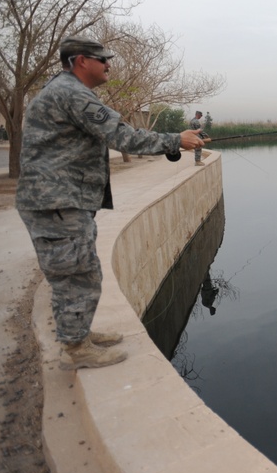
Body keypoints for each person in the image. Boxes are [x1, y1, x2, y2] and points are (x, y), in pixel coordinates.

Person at [16, 36, 205, 370]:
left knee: (81, 270)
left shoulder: (65, 90)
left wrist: (174, 143)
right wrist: (176, 139)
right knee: (76, 275)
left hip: (60, 201)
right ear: (80, 61)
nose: (108, 65)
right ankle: (77, 349)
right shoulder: (72, 94)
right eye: (102, 59)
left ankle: (80, 335)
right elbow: (123, 136)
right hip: (56, 203)